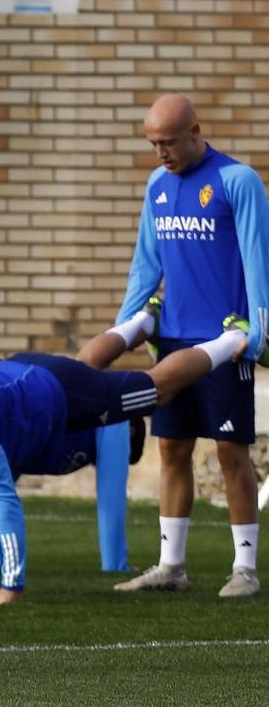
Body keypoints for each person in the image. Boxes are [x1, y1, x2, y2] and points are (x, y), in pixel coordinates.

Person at [0, 310, 251, 604]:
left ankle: (232, 338)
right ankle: (144, 320)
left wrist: (11, 584)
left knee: (155, 389)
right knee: (87, 364)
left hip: (53, 393)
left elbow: (4, 501)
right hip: (11, 375)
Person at [105, 93, 268, 599]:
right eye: (154, 144)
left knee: (229, 451)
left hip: (224, 341)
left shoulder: (237, 181)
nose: (161, 153)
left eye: (169, 142)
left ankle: (244, 569)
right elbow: (145, 265)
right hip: (172, 340)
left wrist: (259, 332)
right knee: (172, 447)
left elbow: (258, 259)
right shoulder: (157, 186)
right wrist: (124, 326)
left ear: (196, 131)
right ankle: (170, 566)